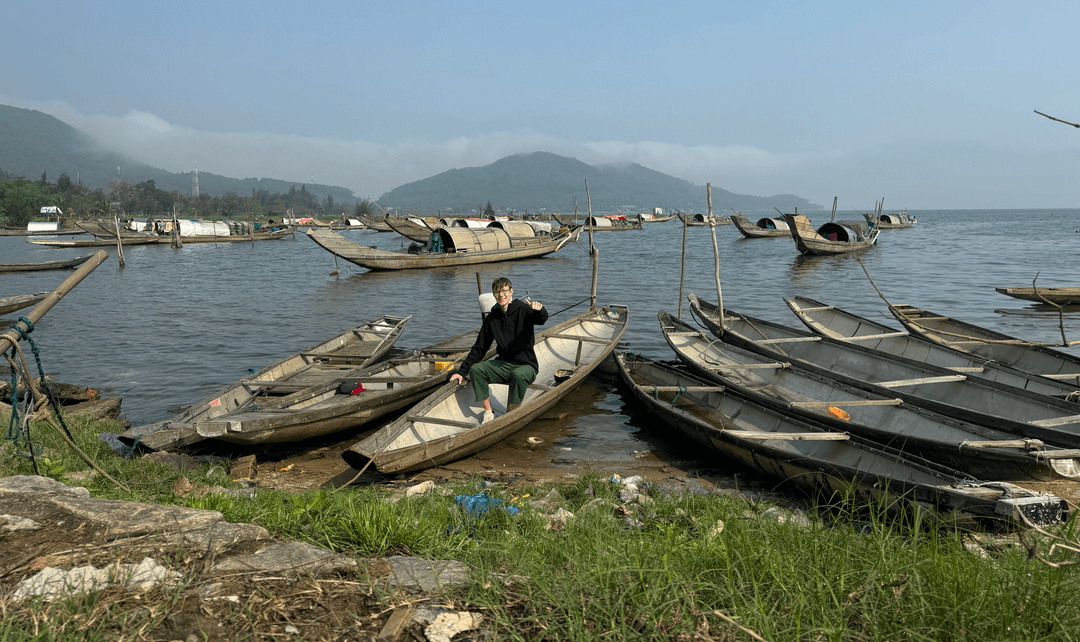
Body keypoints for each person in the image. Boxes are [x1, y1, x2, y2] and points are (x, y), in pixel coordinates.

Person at [450, 277, 547, 424]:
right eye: (497, 291)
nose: (501, 295)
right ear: (494, 294)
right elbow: (479, 348)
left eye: (504, 291)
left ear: (511, 292)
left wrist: (540, 309)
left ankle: (511, 415)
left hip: (526, 366)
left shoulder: (523, 309)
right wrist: (461, 372)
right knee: (476, 369)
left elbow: (541, 319)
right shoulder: (492, 318)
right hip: (503, 365)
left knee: (518, 375)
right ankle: (489, 412)